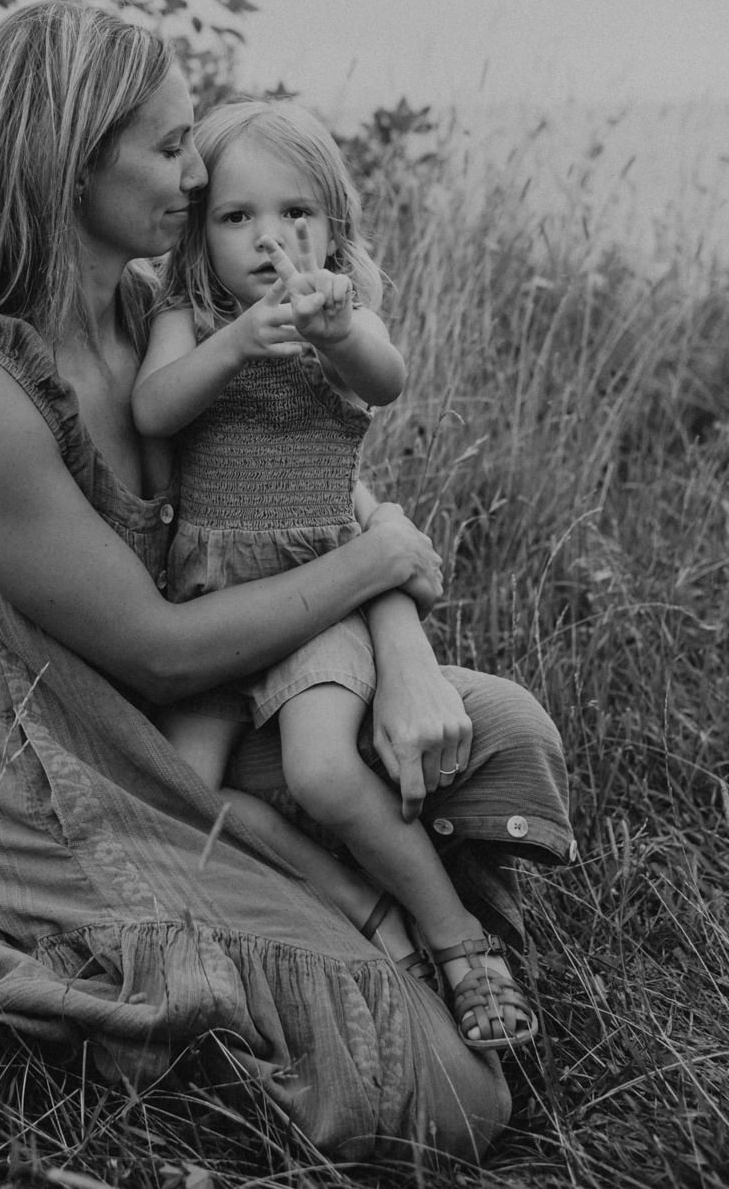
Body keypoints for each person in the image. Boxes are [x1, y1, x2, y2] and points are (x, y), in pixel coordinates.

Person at [0, 0, 574, 1166]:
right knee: (458, 1111)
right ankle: (185, 1001)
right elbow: (156, 649)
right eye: (170, 145)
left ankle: (377, 919)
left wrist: (397, 648)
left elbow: (310, 485)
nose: (199, 172)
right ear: (69, 161)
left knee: (498, 731)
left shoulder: (154, 316)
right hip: (62, 783)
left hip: (188, 719)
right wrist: (381, 562)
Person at [131, 98, 537, 1051]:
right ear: (201, 229)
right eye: (238, 218)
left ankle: (458, 937)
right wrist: (234, 340)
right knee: (179, 801)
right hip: (209, 605)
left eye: (296, 214)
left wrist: (332, 327)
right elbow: (153, 411)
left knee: (321, 770)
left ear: (334, 225)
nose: (271, 240)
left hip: (318, 595)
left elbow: (385, 379)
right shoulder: (187, 317)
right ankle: (355, 906)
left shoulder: (343, 314)